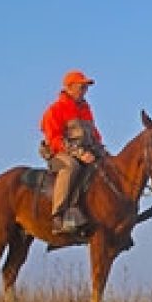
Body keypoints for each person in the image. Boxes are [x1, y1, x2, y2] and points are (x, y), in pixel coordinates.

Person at [39, 69, 106, 234]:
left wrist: (102, 153)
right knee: (71, 167)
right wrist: (80, 154)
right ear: (69, 87)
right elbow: (54, 139)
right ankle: (58, 216)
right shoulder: (56, 109)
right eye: (81, 87)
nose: (85, 91)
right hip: (59, 154)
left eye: (86, 87)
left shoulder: (86, 110)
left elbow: (95, 136)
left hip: (85, 153)